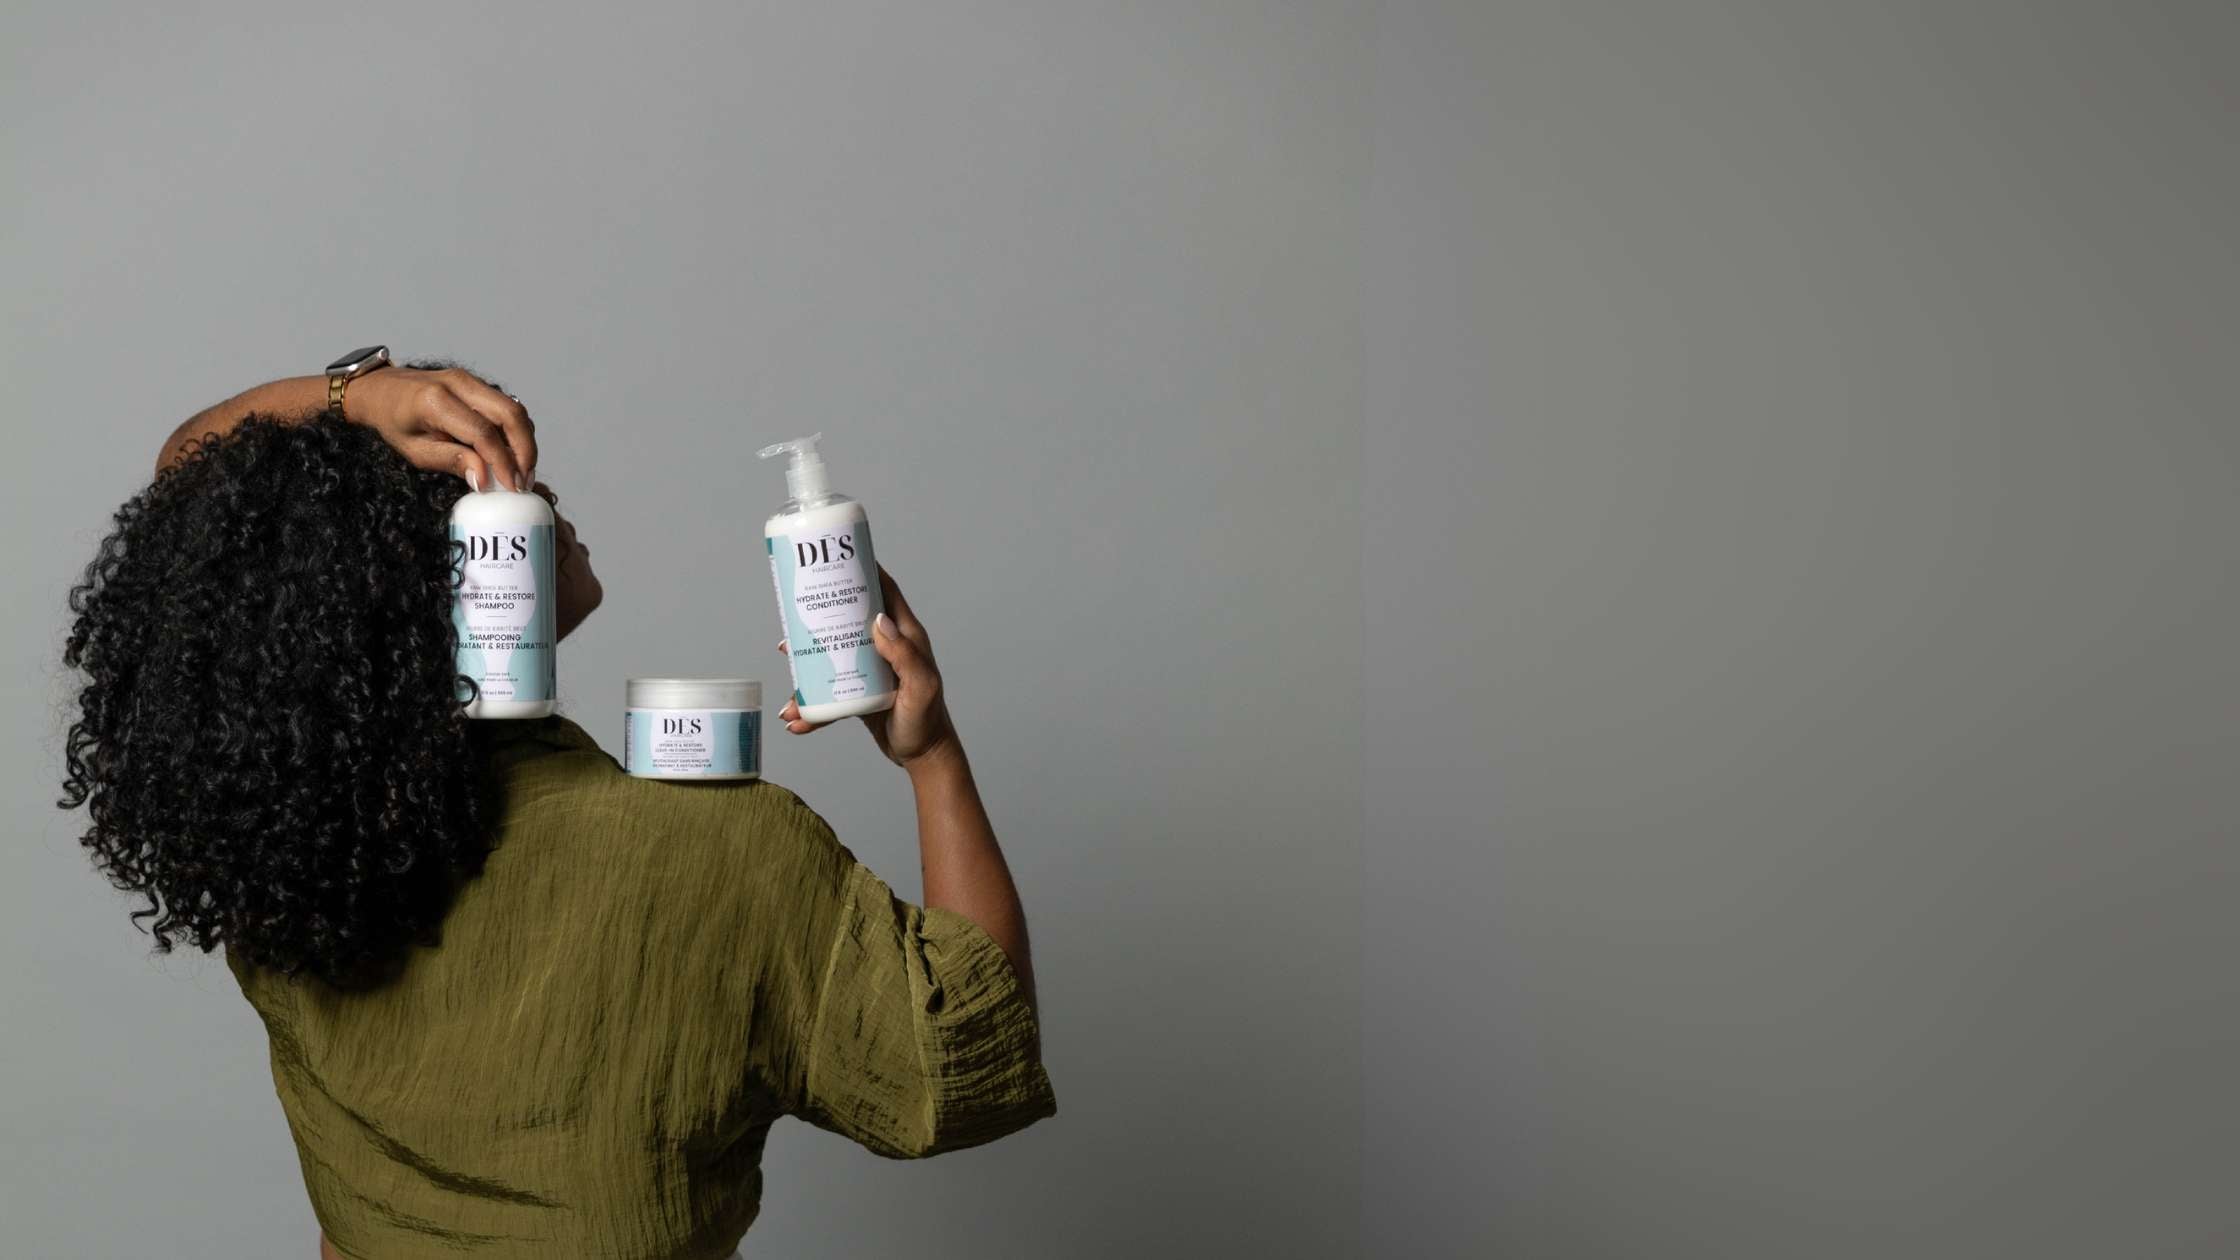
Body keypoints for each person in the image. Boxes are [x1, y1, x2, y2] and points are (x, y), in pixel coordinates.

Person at [58, 361, 1054, 1259]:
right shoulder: (720, 854)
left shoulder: (283, 847)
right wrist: (932, 760)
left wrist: (355, 398)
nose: (543, 493)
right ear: (434, 585)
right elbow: (966, 1064)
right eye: (496, 493)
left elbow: (197, 489)